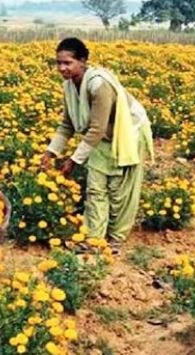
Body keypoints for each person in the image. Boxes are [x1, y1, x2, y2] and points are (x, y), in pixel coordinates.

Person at [42, 37, 154, 252]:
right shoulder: (69, 86)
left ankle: (115, 239)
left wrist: (74, 161)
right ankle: (94, 239)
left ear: (83, 61)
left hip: (127, 134)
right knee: (95, 189)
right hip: (101, 139)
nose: (62, 68)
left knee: (119, 191)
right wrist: (51, 151)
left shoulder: (99, 84)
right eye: (58, 63)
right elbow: (67, 124)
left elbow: (97, 128)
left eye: (68, 63)